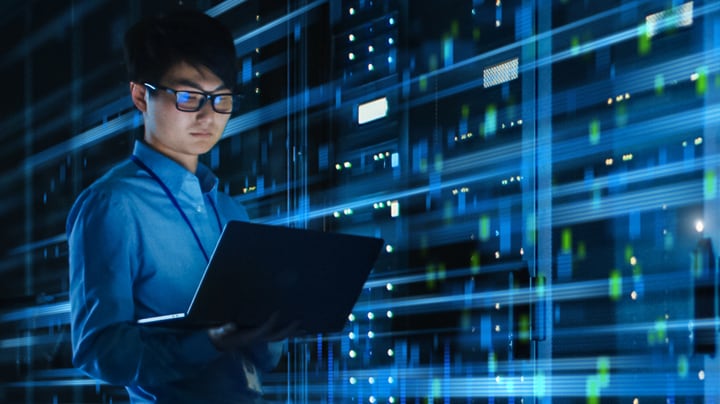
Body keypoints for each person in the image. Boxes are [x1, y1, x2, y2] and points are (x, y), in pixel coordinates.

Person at [66, 9, 291, 403]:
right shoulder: (112, 205)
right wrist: (208, 343)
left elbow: (261, 359)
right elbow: (99, 351)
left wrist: (273, 326)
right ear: (140, 95)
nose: (208, 116)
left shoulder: (232, 212)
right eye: (188, 96)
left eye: (221, 98)